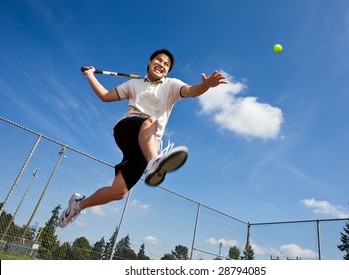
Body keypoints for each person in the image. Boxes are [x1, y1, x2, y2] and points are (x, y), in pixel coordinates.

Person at [59, 49, 227, 228]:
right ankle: (154, 162)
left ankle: (77, 205)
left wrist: (206, 85)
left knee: (118, 192)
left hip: (146, 145)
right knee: (149, 121)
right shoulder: (133, 84)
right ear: (149, 61)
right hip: (127, 129)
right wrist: (89, 75)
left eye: (166, 64)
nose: (162, 65)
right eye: (159, 60)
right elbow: (105, 96)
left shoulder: (171, 85)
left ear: (168, 71)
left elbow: (192, 90)